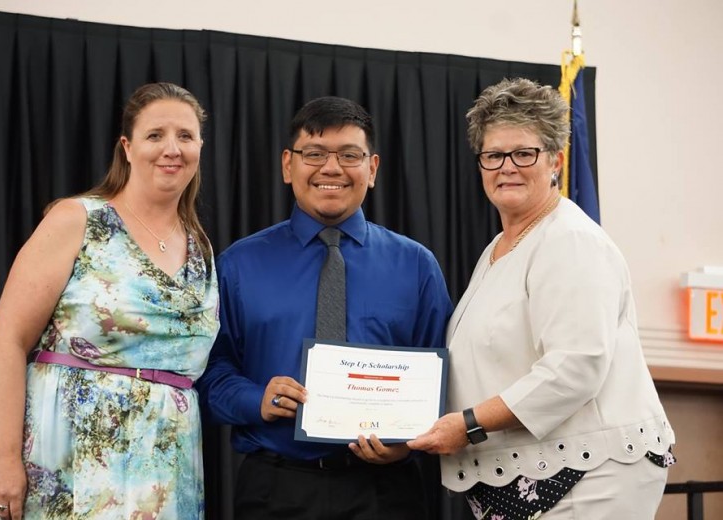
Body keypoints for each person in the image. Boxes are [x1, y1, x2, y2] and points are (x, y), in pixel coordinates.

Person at [408, 77, 675, 519]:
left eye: (524, 153)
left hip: (592, 473)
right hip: (528, 471)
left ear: (556, 161)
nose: (506, 167)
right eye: (493, 155)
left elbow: (576, 367)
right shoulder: (498, 250)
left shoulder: (570, 240)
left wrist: (469, 424)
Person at [200, 96, 453, 520]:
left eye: (349, 155)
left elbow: (442, 376)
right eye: (313, 154)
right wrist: (255, 398)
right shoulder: (239, 265)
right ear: (288, 165)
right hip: (274, 490)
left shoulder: (416, 266)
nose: (331, 168)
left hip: (386, 493)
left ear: (372, 169)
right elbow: (209, 373)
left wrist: (406, 441)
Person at [0, 82, 219, 519]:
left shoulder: (199, 246)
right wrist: (4, 458)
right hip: (69, 456)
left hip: (164, 468)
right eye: (155, 135)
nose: (172, 148)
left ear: (200, 146)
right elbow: (8, 339)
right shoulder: (78, 219)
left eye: (185, 136)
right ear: (127, 148)